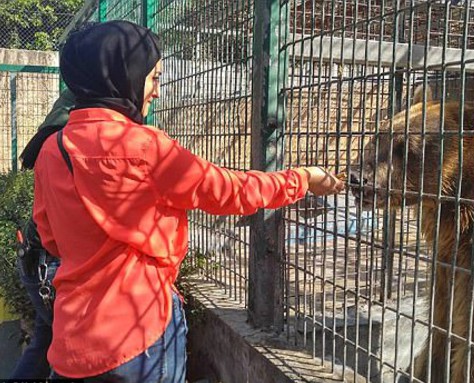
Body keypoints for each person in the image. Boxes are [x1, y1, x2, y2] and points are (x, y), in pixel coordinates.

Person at [20, 20, 344, 382]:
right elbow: (230, 191)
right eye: (153, 78)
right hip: (140, 331)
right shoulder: (145, 147)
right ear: (123, 75)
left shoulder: (51, 149)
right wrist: (303, 179)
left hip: (74, 337)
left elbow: (49, 236)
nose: (156, 92)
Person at [11, 87, 76, 379]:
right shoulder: (65, 140)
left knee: (45, 338)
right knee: (69, 352)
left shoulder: (53, 134)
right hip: (48, 263)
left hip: (37, 260)